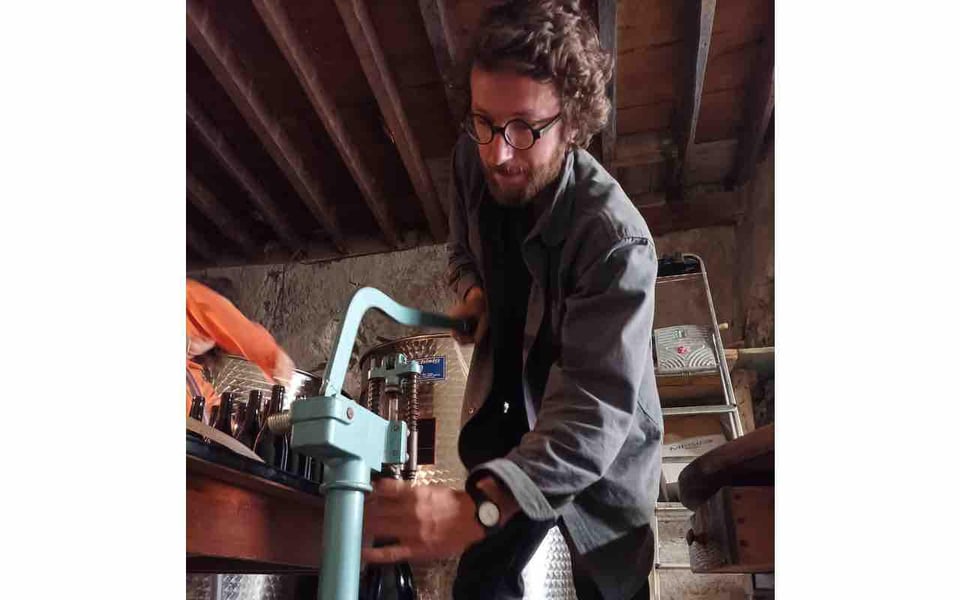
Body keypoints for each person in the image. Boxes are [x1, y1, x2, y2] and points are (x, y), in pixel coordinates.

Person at [362, 1, 662, 599]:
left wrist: (474, 511)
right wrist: (474, 293)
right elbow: (460, 251)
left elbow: (591, 410)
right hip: (510, 420)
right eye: (484, 122)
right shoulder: (471, 159)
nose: (498, 153)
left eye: (524, 128)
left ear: (571, 124)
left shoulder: (615, 242)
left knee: (610, 587)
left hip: (598, 454)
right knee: (480, 586)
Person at [186, 277, 295, 420]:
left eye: (207, 335)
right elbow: (211, 308)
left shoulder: (195, 382)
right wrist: (272, 356)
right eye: (202, 323)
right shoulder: (189, 296)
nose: (197, 337)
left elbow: (212, 412)